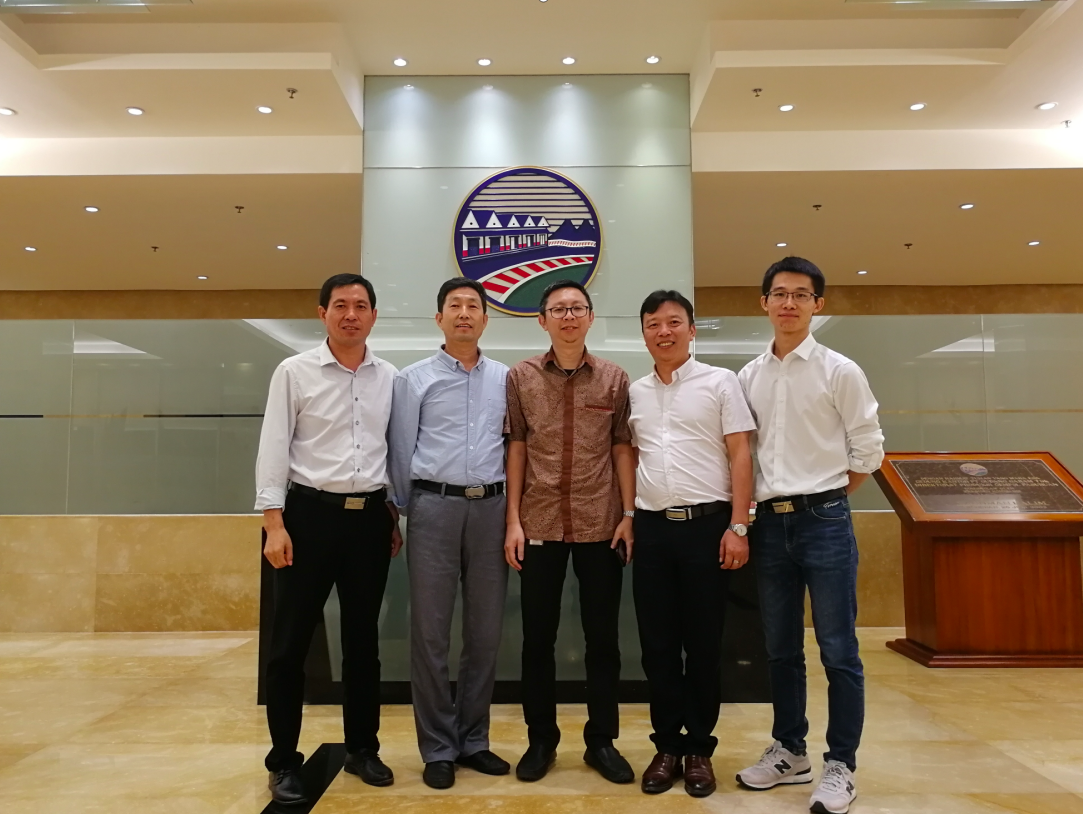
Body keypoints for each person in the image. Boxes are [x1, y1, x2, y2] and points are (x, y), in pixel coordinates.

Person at [735, 257, 884, 814]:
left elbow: (868, 450)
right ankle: (789, 751)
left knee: (838, 649)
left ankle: (841, 763)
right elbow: (744, 453)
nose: (789, 303)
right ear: (764, 303)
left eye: (801, 295)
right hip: (769, 524)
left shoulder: (839, 370)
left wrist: (826, 498)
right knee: (779, 648)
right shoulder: (749, 376)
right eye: (780, 293)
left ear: (818, 305)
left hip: (824, 520)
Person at [255, 273, 403, 806]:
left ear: (373, 316)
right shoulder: (294, 371)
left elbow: (390, 449)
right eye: (340, 305)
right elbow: (274, 445)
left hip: (369, 522)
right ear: (322, 313)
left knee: (363, 644)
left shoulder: (390, 377)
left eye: (361, 305)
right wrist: (274, 522)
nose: (351, 314)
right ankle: (283, 761)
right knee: (289, 645)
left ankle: (363, 748)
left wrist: (391, 514)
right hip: (307, 518)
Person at [504, 279, 637, 785]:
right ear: (542, 320)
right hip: (538, 522)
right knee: (537, 639)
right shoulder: (521, 377)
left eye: (577, 308)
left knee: (603, 639)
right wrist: (512, 521)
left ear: (590, 317)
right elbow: (516, 446)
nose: (568, 316)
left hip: (600, 522)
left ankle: (601, 741)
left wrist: (629, 514)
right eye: (558, 309)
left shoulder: (614, 378)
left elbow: (622, 447)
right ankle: (541, 739)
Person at [628, 290, 755, 798]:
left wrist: (739, 526)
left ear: (692, 329)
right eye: (653, 324)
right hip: (652, 530)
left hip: (708, 527)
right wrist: (628, 517)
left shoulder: (721, 382)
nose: (664, 331)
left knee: (703, 644)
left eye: (673, 322)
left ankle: (699, 747)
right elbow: (630, 457)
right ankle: (666, 747)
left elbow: (740, 453)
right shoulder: (635, 392)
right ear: (644, 334)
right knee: (657, 645)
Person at [388, 277, 511, 789]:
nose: (464, 313)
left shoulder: (506, 378)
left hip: (492, 509)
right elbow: (400, 449)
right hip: (432, 508)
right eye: (454, 306)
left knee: (485, 632)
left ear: (485, 319)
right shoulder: (412, 379)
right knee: (430, 633)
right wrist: (399, 511)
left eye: (473, 306)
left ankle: (474, 739)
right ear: (439, 318)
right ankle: (438, 746)